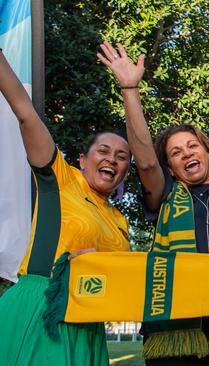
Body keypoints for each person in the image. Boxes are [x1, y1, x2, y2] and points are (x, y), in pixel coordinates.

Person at [98, 42, 209, 365]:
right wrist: (129, 89)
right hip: (172, 332)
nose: (186, 154)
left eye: (192, 146)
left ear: (208, 154)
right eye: (175, 153)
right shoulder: (164, 192)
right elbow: (147, 164)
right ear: (171, 167)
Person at [0, 50, 131, 365]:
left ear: (125, 171)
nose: (112, 159)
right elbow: (26, 114)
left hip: (86, 325)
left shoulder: (120, 223)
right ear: (83, 160)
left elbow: (125, 281)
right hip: (39, 307)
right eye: (103, 150)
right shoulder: (60, 178)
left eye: (122, 156)